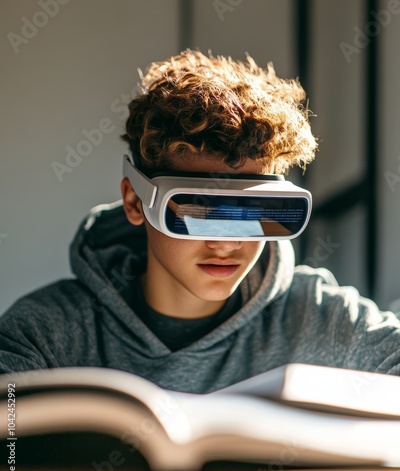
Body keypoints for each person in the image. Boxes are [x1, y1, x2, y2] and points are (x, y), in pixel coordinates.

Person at [0, 50, 399, 392]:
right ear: (135, 202)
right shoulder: (45, 337)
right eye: (198, 213)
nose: (227, 245)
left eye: (253, 215)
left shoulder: (320, 320)